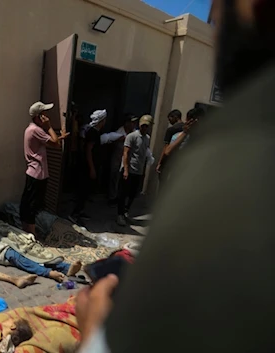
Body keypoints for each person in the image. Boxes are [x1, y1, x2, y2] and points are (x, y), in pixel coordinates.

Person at [76, 0, 275, 352]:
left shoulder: (236, 155)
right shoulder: (227, 146)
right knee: (120, 196)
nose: (215, 31)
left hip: (141, 174)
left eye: (217, 16)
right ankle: (117, 212)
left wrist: (94, 333)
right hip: (129, 170)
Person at [19, 101, 69, 237]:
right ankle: (32, 234)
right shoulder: (37, 130)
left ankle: (27, 230)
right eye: (44, 115)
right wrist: (49, 127)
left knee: (29, 203)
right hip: (37, 174)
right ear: (38, 117)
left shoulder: (31, 129)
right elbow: (56, 144)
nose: (47, 117)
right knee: (32, 206)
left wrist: (59, 137)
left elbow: (48, 142)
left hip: (34, 172)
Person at [70, 109, 107, 223]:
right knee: (83, 191)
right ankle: (74, 214)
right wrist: (91, 168)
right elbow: (88, 150)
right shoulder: (92, 133)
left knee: (86, 191)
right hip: (86, 167)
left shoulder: (94, 132)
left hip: (90, 166)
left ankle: (80, 212)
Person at [116, 115, 153, 226]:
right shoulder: (131, 136)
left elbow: (145, 155)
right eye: (143, 126)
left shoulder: (147, 138)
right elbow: (126, 153)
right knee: (123, 193)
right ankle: (120, 214)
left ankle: (126, 211)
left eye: (147, 126)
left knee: (133, 193)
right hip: (129, 169)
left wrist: (144, 171)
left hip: (139, 171)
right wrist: (126, 170)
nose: (144, 128)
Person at [100, 115, 138, 206]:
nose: (133, 124)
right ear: (126, 123)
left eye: (134, 123)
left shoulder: (134, 133)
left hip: (128, 160)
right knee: (114, 177)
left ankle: (120, 197)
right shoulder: (119, 133)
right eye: (131, 122)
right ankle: (112, 197)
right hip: (117, 158)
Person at [155, 109, 183, 186]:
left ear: (175, 117)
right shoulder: (185, 128)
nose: (169, 121)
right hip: (180, 161)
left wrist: (160, 163)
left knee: (163, 183)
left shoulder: (171, 130)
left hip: (169, 161)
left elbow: (166, 148)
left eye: (170, 118)